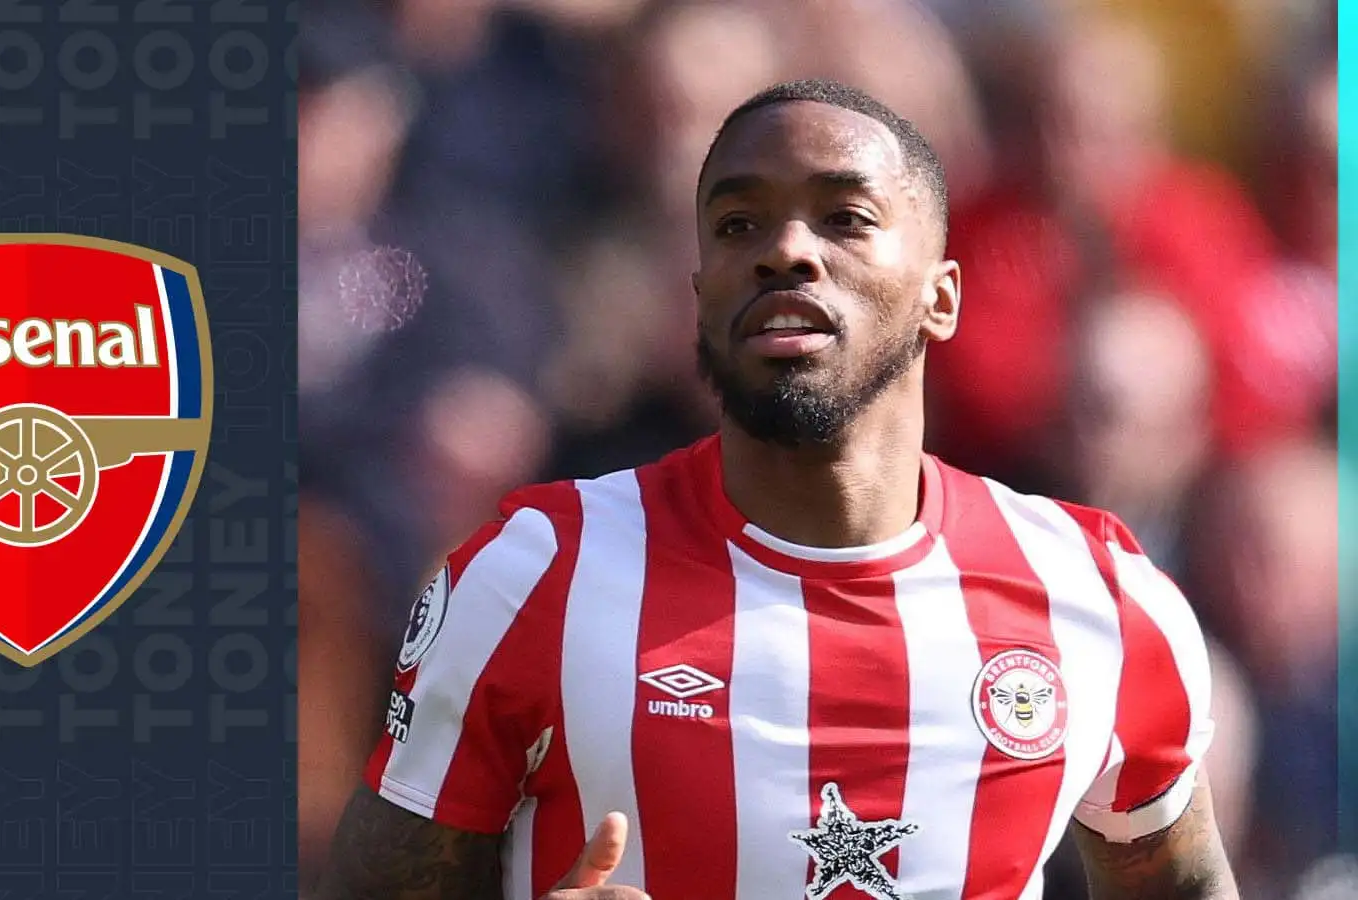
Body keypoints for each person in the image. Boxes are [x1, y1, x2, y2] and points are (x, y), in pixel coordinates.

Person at [313, 80, 1239, 900]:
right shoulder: (534, 573)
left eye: (845, 217)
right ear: (701, 291)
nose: (785, 251)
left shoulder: (1097, 595)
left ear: (942, 297)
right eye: (737, 224)